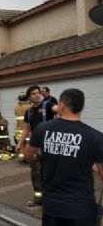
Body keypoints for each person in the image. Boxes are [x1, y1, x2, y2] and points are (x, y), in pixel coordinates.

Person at [24, 88, 103, 226]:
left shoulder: (42, 129)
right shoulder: (95, 137)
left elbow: (27, 155)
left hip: (52, 208)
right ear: (82, 107)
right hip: (82, 209)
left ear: (61, 105)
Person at [16, 85, 58, 207]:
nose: (37, 95)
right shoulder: (29, 111)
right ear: (29, 97)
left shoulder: (47, 105)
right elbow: (26, 128)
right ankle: (38, 199)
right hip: (35, 146)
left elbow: (58, 109)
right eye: (34, 93)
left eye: (38, 92)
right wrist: (20, 143)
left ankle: (52, 199)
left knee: (50, 173)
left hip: (49, 146)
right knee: (36, 173)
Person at [14, 92, 30, 160]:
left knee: (21, 144)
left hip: (18, 129)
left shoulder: (16, 107)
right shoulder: (29, 107)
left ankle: (21, 157)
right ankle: (27, 157)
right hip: (27, 129)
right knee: (28, 144)